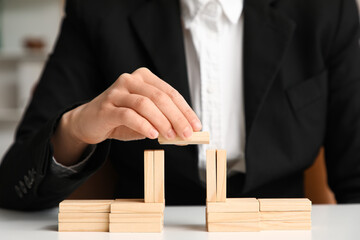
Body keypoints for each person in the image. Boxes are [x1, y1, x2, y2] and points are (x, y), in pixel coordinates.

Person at [1, 0, 360, 211]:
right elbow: (14, 182)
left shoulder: (328, 9)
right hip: (150, 221)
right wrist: (75, 128)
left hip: (277, 221)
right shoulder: (99, 9)